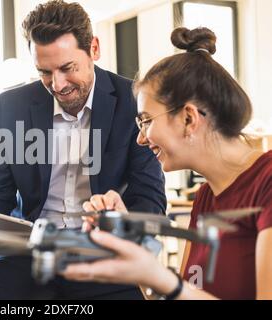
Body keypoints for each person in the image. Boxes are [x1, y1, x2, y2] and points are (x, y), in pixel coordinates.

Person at [0, 0, 166, 300]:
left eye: (67, 68)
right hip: (27, 252)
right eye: (44, 71)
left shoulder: (133, 102)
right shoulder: (10, 107)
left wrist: (124, 222)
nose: (57, 85)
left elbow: (150, 201)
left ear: (94, 50)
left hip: (104, 254)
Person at [62, 27, 272, 300]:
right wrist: (131, 243)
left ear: (189, 118)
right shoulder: (207, 196)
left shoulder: (266, 183)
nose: (139, 138)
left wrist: (158, 276)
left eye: (146, 121)